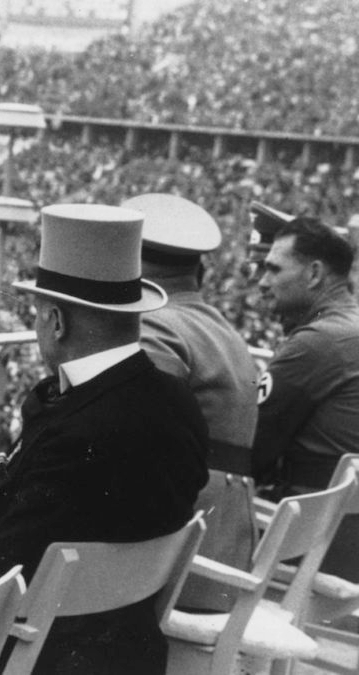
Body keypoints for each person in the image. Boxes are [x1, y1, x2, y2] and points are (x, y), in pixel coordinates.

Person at [0, 203, 208, 674]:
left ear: (57, 321)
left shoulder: (76, 428)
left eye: (37, 314)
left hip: (32, 651)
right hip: (122, 643)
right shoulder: (178, 401)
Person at [122, 193, 258, 612]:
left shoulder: (155, 327)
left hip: (180, 561)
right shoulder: (222, 330)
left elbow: (133, 444)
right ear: (199, 270)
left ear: (130, 263)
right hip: (225, 547)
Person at [253, 216, 359, 579]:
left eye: (273, 269)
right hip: (343, 537)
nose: (263, 282)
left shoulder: (319, 342)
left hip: (314, 547)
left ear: (314, 274)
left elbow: (251, 450)